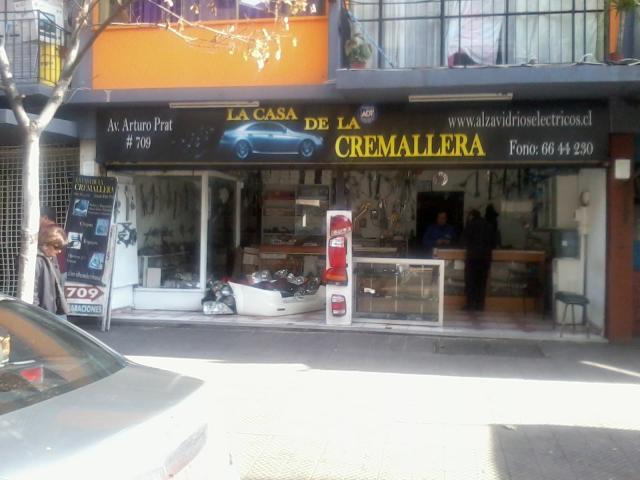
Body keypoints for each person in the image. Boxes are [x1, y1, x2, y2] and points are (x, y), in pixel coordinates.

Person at [461, 209, 495, 311]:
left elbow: (463, 241)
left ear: (471, 216)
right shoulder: (489, 226)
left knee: (471, 281)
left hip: (473, 258)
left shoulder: (471, 225)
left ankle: (471, 304)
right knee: (482, 282)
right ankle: (480, 305)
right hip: (485, 258)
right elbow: (494, 243)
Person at [35, 224, 70, 317]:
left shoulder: (51, 257)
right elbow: (33, 292)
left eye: (61, 248)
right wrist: (36, 315)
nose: (59, 251)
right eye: (56, 247)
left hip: (51, 310)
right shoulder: (37, 261)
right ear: (46, 244)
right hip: (41, 313)